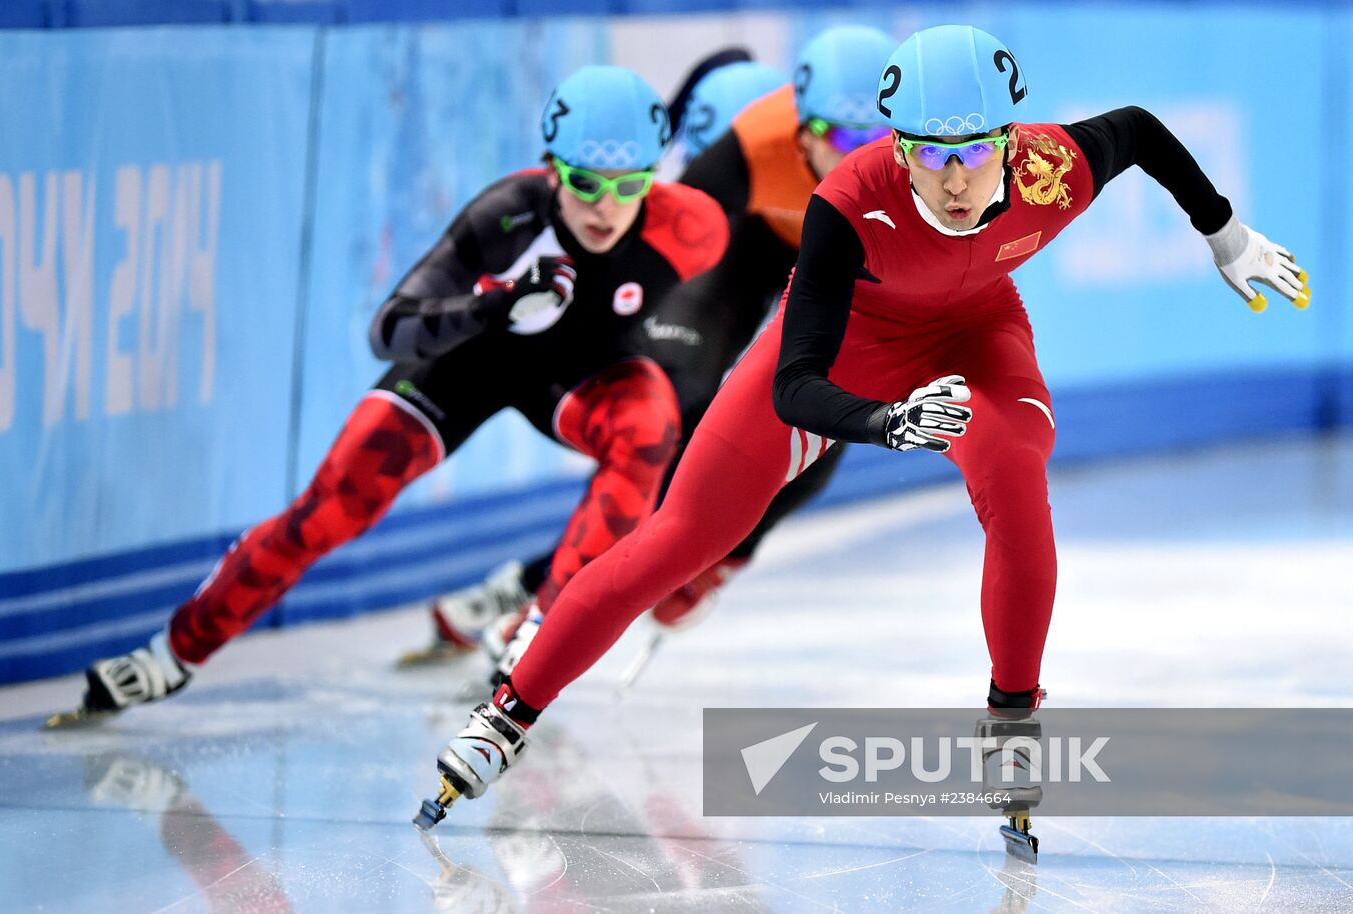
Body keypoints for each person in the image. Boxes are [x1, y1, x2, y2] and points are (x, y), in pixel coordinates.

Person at [417, 24, 1310, 835]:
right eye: (928, 155)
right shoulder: (849, 200)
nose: (954, 179)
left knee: (1018, 488)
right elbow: (797, 382)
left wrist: (1222, 232)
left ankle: (1011, 720)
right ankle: (506, 716)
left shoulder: (1053, 168)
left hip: (976, 333)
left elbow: (1144, 130)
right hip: (852, 346)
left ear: (1008, 139)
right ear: (898, 147)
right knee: (677, 539)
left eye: (973, 153)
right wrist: (886, 423)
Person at [53, 65, 729, 723]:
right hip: (463, 363)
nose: (605, 206)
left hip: (574, 374)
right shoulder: (506, 218)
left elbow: (711, 320)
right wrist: (491, 306)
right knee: (331, 509)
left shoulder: (695, 227)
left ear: (655, 175)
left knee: (650, 422)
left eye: (629, 184)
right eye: (585, 183)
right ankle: (173, 651)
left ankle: (538, 631)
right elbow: (390, 328)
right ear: (552, 168)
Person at [418, 27, 897, 671]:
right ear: (800, 125)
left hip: (845, 262)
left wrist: (733, 551)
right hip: (744, 249)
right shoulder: (754, 141)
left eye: (876, 141)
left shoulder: (914, 167)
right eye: (843, 139)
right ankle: (547, 588)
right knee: (674, 409)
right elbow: (653, 253)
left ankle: (708, 563)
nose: (857, 158)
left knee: (831, 413)